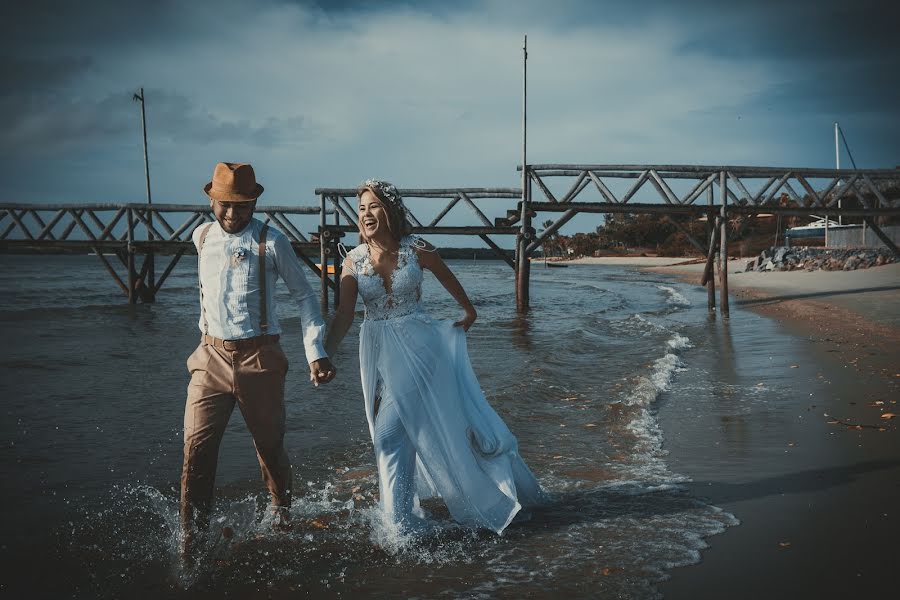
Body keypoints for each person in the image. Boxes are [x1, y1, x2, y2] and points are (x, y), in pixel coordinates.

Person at [325, 179, 544, 535]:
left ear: (391, 212)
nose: (366, 214)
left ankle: (399, 524)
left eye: (374, 206)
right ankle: (405, 515)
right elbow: (344, 316)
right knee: (402, 430)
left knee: (388, 434)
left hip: (421, 347)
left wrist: (468, 312)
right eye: (362, 208)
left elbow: (448, 278)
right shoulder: (353, 260)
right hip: (378, 352)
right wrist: (324, 357)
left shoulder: (417, 249)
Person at [180, 162, 336, 560]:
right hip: (209, 356)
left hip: (260, 358)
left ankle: (282, 515)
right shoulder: (200, 237)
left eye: (242, 207)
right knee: (196, 447)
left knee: (268, 447)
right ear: (211, 201)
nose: (232, 215)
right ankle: (192, 540)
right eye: (224, 205)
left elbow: (305, 296)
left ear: (254, 203)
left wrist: (315, 352)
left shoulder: (271, 241)